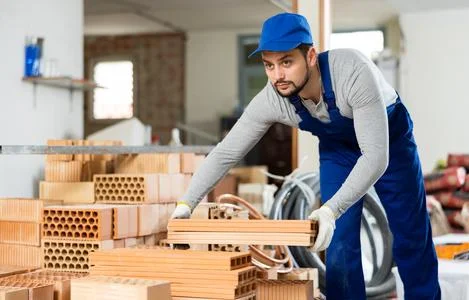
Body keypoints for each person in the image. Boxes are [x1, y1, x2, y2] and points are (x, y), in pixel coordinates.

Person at [171, 12, 440, 299]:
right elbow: (226, 152)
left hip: (389, 142)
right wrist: (187, 203)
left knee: (410, 234)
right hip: (338, 149)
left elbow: (376, 157)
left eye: (287, 62)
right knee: (338, 242)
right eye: (269, 66)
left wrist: (329, 209)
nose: (278, 76)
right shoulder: (272, 99)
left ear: (311, 56)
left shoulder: (352, 72)